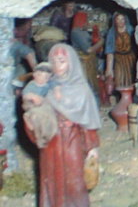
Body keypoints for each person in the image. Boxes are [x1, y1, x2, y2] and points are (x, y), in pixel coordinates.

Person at [25, 43, 100, 207]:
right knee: (51, 180)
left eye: (62, 61)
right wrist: (32, 122)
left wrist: (92, 148)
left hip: (73, 142)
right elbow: (35, 114)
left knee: (74, 180)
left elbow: (88, 122)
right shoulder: (45, 87)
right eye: (53, 61)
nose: (57, 66)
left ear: (71, 62)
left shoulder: (82, 90)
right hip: (51, 142)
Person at [22, 62, 59, 149]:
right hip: (31, 105)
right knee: (37, 116)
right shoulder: (32, 85)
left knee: (49, 116)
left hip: (43, 105)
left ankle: (48, 135)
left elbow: (55, 85)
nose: (42, 79)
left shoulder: (48, 84)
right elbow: (25, 94)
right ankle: (39, 136)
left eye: (46, 77)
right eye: (39, 75)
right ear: (34, 75)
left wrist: (57, 91)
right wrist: (33, 96)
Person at [70, 11, 104, 95]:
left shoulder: (83, 31)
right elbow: (89, 50)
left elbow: (90, 40)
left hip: (89, 60)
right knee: (87, 82)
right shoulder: (76, 32)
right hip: (83, 61)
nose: (87, 23)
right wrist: (100, 42)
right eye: (86, 20)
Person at [104, 12, 137, 89]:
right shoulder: (112, 33)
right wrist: (109, 69)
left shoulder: (130, 30)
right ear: (115, 21)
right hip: (118, 60)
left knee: (131, 80)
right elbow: (110, 51)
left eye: (122, 19)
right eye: (118, 19)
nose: (120, 21)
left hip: (130, 59)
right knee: (119, 80)